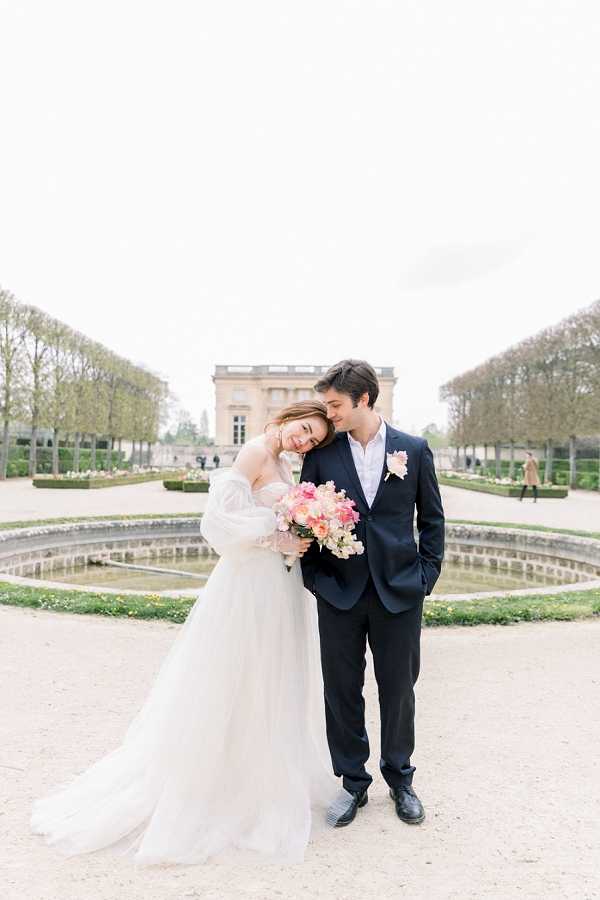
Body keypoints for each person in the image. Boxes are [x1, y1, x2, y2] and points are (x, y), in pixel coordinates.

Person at [30, 401, 339, 866]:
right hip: (249, 583)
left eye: (313, 440)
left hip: (276, 584)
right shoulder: (255, 452)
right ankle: (223, 782)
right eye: (305, 429)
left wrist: (300, 531)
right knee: (234, 674)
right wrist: (278, 536)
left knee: (267, 675)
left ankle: (257, 773)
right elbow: (217, 525)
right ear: (286, 418)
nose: (305, 441)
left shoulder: (280, 461)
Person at [301, 360, 445, 827]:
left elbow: (434, 521)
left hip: (400, 592)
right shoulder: (322, 454)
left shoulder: (414, 449)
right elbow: (302, 514)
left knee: (399, 689)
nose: (330, 413)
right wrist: (314, 577)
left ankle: (400, 779)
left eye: (336, 404)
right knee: (340, 691)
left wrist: (425, 577)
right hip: (338, 592)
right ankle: (352, 783)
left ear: (363, 399)